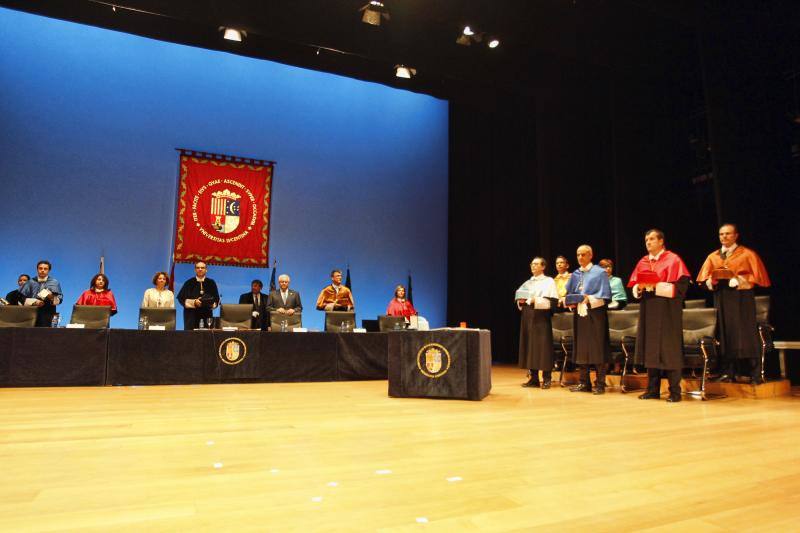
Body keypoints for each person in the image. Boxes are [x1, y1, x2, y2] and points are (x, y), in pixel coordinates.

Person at [696, 223, 771, 384]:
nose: (724, 237)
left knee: (746, 335)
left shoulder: (746, 254)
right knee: (725, 334)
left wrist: (739, 279)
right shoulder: (714, 256)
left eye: (728, 234)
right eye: (721, 234)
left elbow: (757, 277)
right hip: (722, 298)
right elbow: (703, 280)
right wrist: (712, 281)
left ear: (736, 236)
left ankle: (755, 374)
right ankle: (728, 372)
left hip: (741, 299)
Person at [627, 229, 691, 402]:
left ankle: (675, 392)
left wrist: (656, 286)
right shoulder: (643, 261)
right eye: (646, 239)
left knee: (669, 350)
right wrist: (638, 288)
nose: (648, 242)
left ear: (661, 241)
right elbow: (634, 286)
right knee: (651, 349)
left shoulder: (673, 259)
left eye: (652, 239)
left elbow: (681, 288)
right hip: (649, 309)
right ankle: (652, 389)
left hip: (667, 310)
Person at [562, 245, 612, 394]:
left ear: (590, 255)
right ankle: (584, 383)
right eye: (578, 255)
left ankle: (600, 383)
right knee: (582, 348)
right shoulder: (576, 274)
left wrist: (588, 298)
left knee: (597, 348)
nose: (580, 257)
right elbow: (570, 292)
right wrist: (570, 300)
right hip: (580, 314)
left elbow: (606, 297)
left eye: (583, 254)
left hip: (595, 314)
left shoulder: (599, 273)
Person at [516, 257, 558, 388]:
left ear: (543, 267)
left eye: (536, 264)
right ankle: (533, 378)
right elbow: (520, 297)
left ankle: (546, 378)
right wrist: (520, 302)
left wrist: (536, 300)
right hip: (528, 317)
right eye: (532, 264)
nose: (533, 266)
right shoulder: (528, 282)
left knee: (543, 348)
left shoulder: (549, 281)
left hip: (541, 317)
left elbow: (553, 302)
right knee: (530, 347)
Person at [177, 261, 220, 330]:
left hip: (207, 315)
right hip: (191, 317)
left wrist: (209, 303)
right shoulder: (189, 283)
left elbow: (216, 299)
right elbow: (181, 298)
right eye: (198, 268)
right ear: (195, 270)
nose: (200, 269)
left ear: (206, 270)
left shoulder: (211, 283)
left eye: (202, 268)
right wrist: (194, 302)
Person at [18, 260, 63, 327]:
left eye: (45, 269)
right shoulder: (30, 282)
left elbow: (60, 300)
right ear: (37, 269)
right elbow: (21, 298)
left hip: (48, 313)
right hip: (31, 313)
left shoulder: (54, 282)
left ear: (49, 270)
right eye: (40, 268)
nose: (42, 270)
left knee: (45, 335)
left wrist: (52, 297)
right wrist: (34, 301)